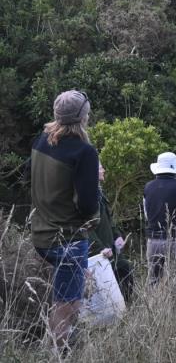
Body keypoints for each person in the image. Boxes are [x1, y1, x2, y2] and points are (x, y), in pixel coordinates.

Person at [31, 90, 99, 349]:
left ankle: (62, 344)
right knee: (66, 302)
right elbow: (87, 205)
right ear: (83, 117)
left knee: (67, 297)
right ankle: (58, 351)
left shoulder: (41, 141)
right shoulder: (84, 152)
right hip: (67, 239)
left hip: (41, 234)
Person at [143, 152, 176, 286]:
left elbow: (147, 214)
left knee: (153, 280)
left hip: (153, 240)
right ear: (174, 170)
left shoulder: (148, 187)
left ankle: (153, 305)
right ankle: (173, 306)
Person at [88, 162, 134, 302]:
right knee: (105, 288)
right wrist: (100, 249)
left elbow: (109, 220)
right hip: (100, 252)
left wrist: (118, 237)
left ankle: (126, 309)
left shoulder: (99, 192)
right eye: (101, 167)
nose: (104, 170)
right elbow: (86, 227)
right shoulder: (88, 195)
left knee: (124, 270)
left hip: (111, 247)